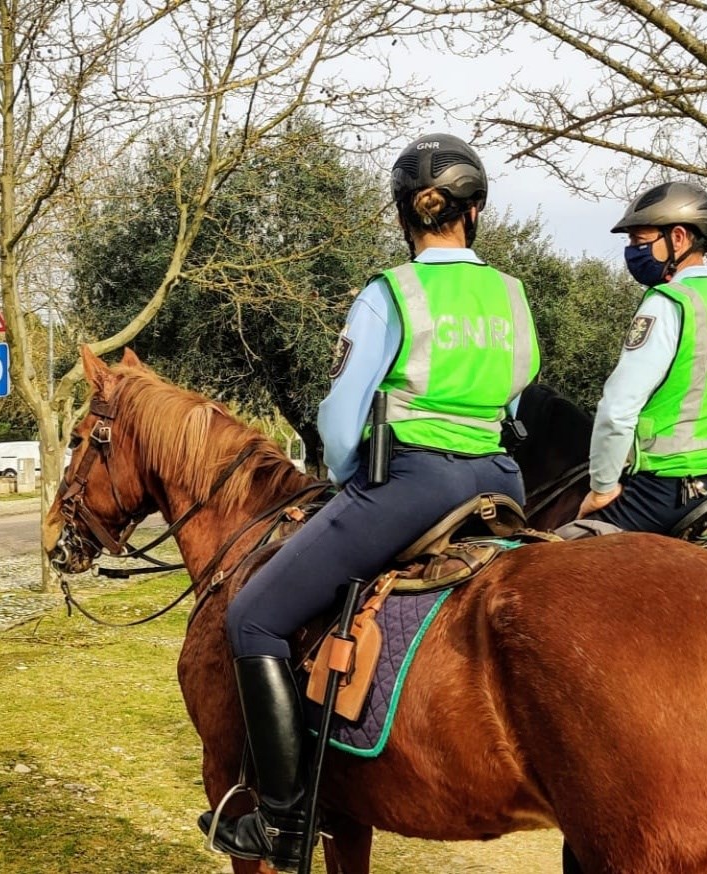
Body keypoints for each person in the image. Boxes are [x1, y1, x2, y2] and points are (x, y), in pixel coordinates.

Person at [200, 133, 539, 870]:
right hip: (500, 485)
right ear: (474, 212)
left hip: (411, 484)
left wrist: (355, 477)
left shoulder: (392, 292)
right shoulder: (512, 294)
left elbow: (338, 414)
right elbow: (516, 389)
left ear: (403, 216)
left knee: (252, 616)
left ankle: (284, 822)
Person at [578, 181, 707, 535]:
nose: (632, 251)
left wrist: (602, 487)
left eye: (640, 240)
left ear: (678, 238)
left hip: (672, 492)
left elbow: (618, 410)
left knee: (562, 555)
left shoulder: (670, 303)